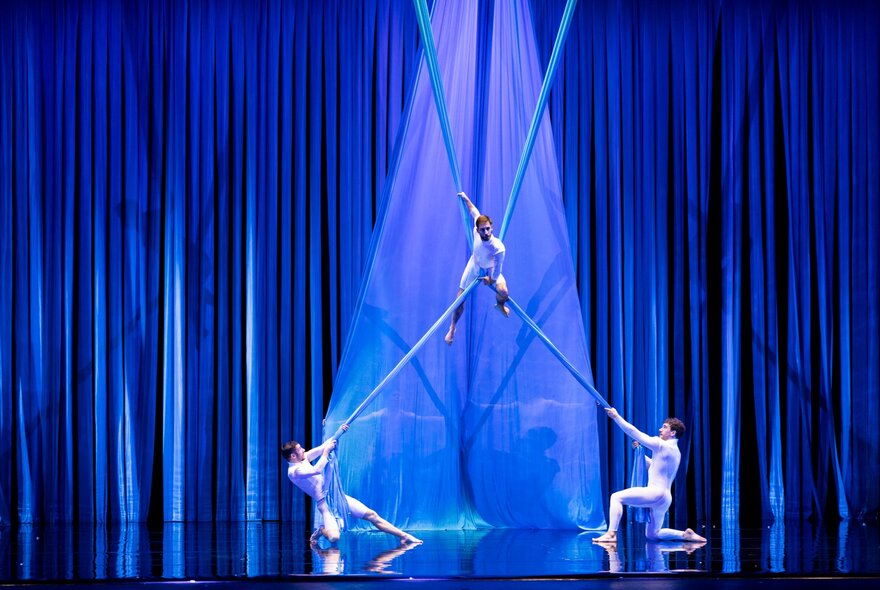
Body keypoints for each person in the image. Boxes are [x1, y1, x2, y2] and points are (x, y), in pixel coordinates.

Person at [281, 424, 422, 546]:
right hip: (324, 503)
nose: (304, 450)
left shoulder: (303, 459)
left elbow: (325, 446)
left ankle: (404, 536)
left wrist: (340, 431)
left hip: (337, 496)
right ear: (293, 456)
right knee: (334, 538)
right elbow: (317, 469)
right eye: (300, 449)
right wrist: (325, 453)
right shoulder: (293, 471)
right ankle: (322, 530)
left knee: (372, 515)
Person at [593, 408, 706, 544]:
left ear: (672, 433)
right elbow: (654, 466)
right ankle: (684, 534)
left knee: (616, 497)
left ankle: (611, 534)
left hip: (655, 492)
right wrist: (640, 452)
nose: (660, 429)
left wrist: (616, 417)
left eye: (664, 427)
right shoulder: (676, 452)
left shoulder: (661, 445)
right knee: (653, 534)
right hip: (665, 498)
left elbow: (635, 433)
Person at [445, 191, 510, 345]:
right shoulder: (476, 228)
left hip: (491, 269)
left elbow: (498, 268)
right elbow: (473, 211)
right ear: (477, 229)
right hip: (475, 264)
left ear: (492, 228)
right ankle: (452, 328)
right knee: (459, 299)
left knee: (504, 292)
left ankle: (500, 305)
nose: (486, 232)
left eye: (488, 229)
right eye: (482, 229)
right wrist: (466, 198)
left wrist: (491, 279)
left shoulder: (498, 247)